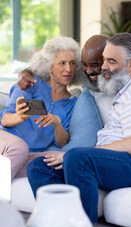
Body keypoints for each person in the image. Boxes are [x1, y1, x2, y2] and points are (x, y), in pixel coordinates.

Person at [60, 32, 131, 222]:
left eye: (111, 61)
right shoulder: (120, 85)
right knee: (41, 166)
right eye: (103, 60)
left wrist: (89, 152)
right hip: (119, 161)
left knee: (77, 158)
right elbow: (49, 66)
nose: (103, 67)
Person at [0, 36, 83, 180]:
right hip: (6, 140)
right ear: (49, 65)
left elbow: (62, 143)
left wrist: (57, 123)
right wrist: (18, 117)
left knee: (58, 160)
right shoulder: (30, 84)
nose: (68, 69)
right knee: (19, 148)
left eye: (72, 63)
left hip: (30, 153)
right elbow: (5, 120)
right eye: (61, 63)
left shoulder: (72, 102)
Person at [18, 34, 131, 94]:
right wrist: (25, 73)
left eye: (95, 65)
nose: (89, 71)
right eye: (85, 64)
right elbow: (43, 67)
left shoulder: (129, 66)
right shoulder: (80, 69)